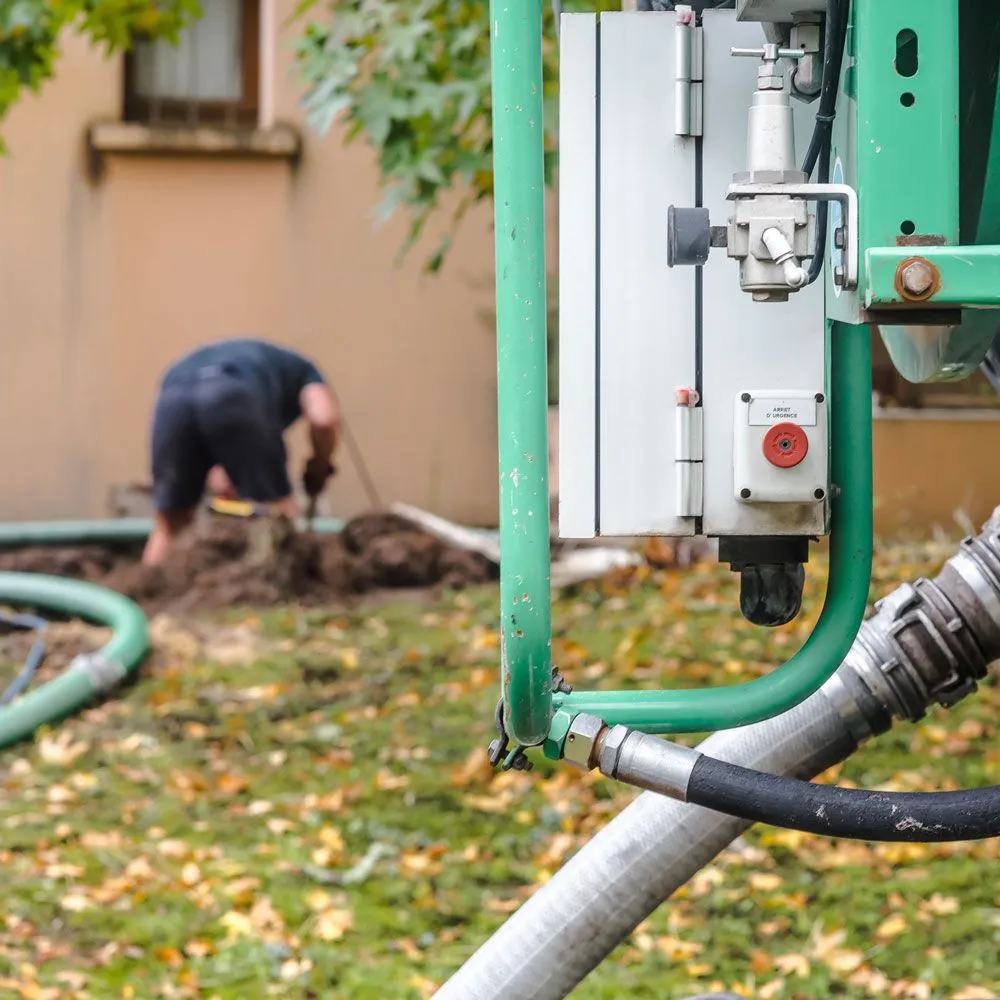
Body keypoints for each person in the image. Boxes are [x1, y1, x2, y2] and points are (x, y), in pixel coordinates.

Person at [142, 338, 340, 566]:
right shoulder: (306, 371)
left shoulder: (247, 361)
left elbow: (221, 465)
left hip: (173, 396)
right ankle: (286, 594)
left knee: (170, 524)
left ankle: (146, 595)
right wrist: (320, 464)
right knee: (276, 513)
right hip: (235, 392)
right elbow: (324, 420)